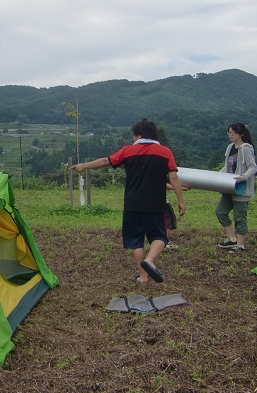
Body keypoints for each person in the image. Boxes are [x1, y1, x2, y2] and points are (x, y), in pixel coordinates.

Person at [74, 118, 185, 284]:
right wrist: (181, 200)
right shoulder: (165, 152)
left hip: (132, 204)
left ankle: (143, 277)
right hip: (155, 204)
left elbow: (105, 161)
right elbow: (174, 177)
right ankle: (150, 260)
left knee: (135, 241)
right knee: (160, 236)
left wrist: (84, 165)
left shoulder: (128, 151)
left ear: (138, 134)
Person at [216, 123, 257, 251]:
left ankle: (240, 244)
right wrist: (217, 176)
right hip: (228, 186)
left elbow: (253, 167)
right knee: (220, 211)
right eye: (229, 132)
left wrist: (243, 177)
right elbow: (227, 167)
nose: (231, 135)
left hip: (241, 189)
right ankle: (232, 238)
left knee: (239, 217)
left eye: (234, 132)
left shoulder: (245, 148)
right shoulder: (230, 148)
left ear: (241, 134)